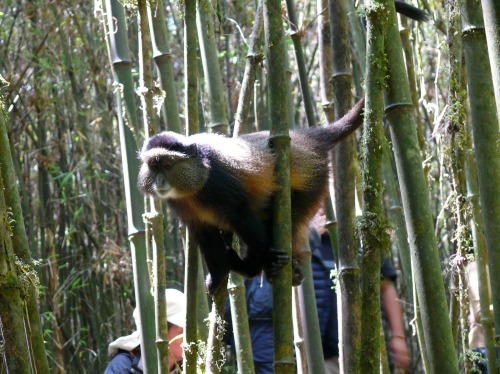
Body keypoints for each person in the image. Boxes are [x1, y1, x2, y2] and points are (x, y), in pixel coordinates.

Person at [310, 207, 410, 373]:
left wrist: (398, 336)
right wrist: (309, 237)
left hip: (364, 347)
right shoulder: (300, 240)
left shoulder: (359, 238)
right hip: (317, 353)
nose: (322, 207)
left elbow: (386, 286)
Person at [104, 288, 186, 373]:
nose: (191, 338)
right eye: (182, 332)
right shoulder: (122, 367)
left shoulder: (189, 365)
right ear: (159, 332)